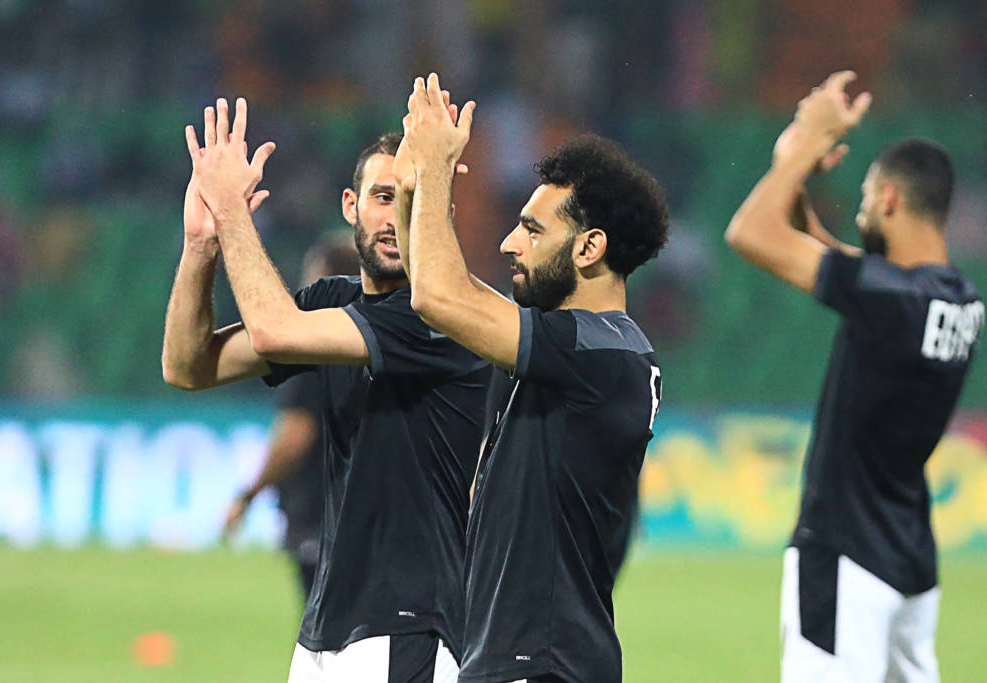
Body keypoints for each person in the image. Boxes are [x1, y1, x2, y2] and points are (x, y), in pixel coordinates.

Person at [162, 96, 490, 682]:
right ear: (350, 206)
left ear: (436, 212)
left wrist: (233, 212)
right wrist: (201, 245)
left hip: (408, 629)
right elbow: (188, 366)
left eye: (411, 198)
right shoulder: (333, 301)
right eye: (382, 196)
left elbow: (272, 330)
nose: (394, 217)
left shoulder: (439, 319)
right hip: (325, 633)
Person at [393, 74, 669, 683]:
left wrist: (437, 171)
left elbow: (439, 297)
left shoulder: (601, 351)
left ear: (589, 248)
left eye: (533, 229)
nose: (508, 242)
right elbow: (437, 291)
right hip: (520, 659)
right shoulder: (566, 346)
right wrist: (413, 190)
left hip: (542, 662)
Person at [724, 71, 984, 682]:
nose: (862, 208)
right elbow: (822, 254)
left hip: (846, 550)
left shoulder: (889, 297)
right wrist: (793, 170)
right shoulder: (959, 301)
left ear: (889, 198)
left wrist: (808, 142)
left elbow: (751, 234)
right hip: (908, 556)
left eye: (866, 196)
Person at [222, 235, 358, 603]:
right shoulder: (377, 341)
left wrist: (249, 495)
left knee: (327, 627)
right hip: (365, 514)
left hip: (319, 510)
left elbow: (297, 434)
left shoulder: (314, 347)